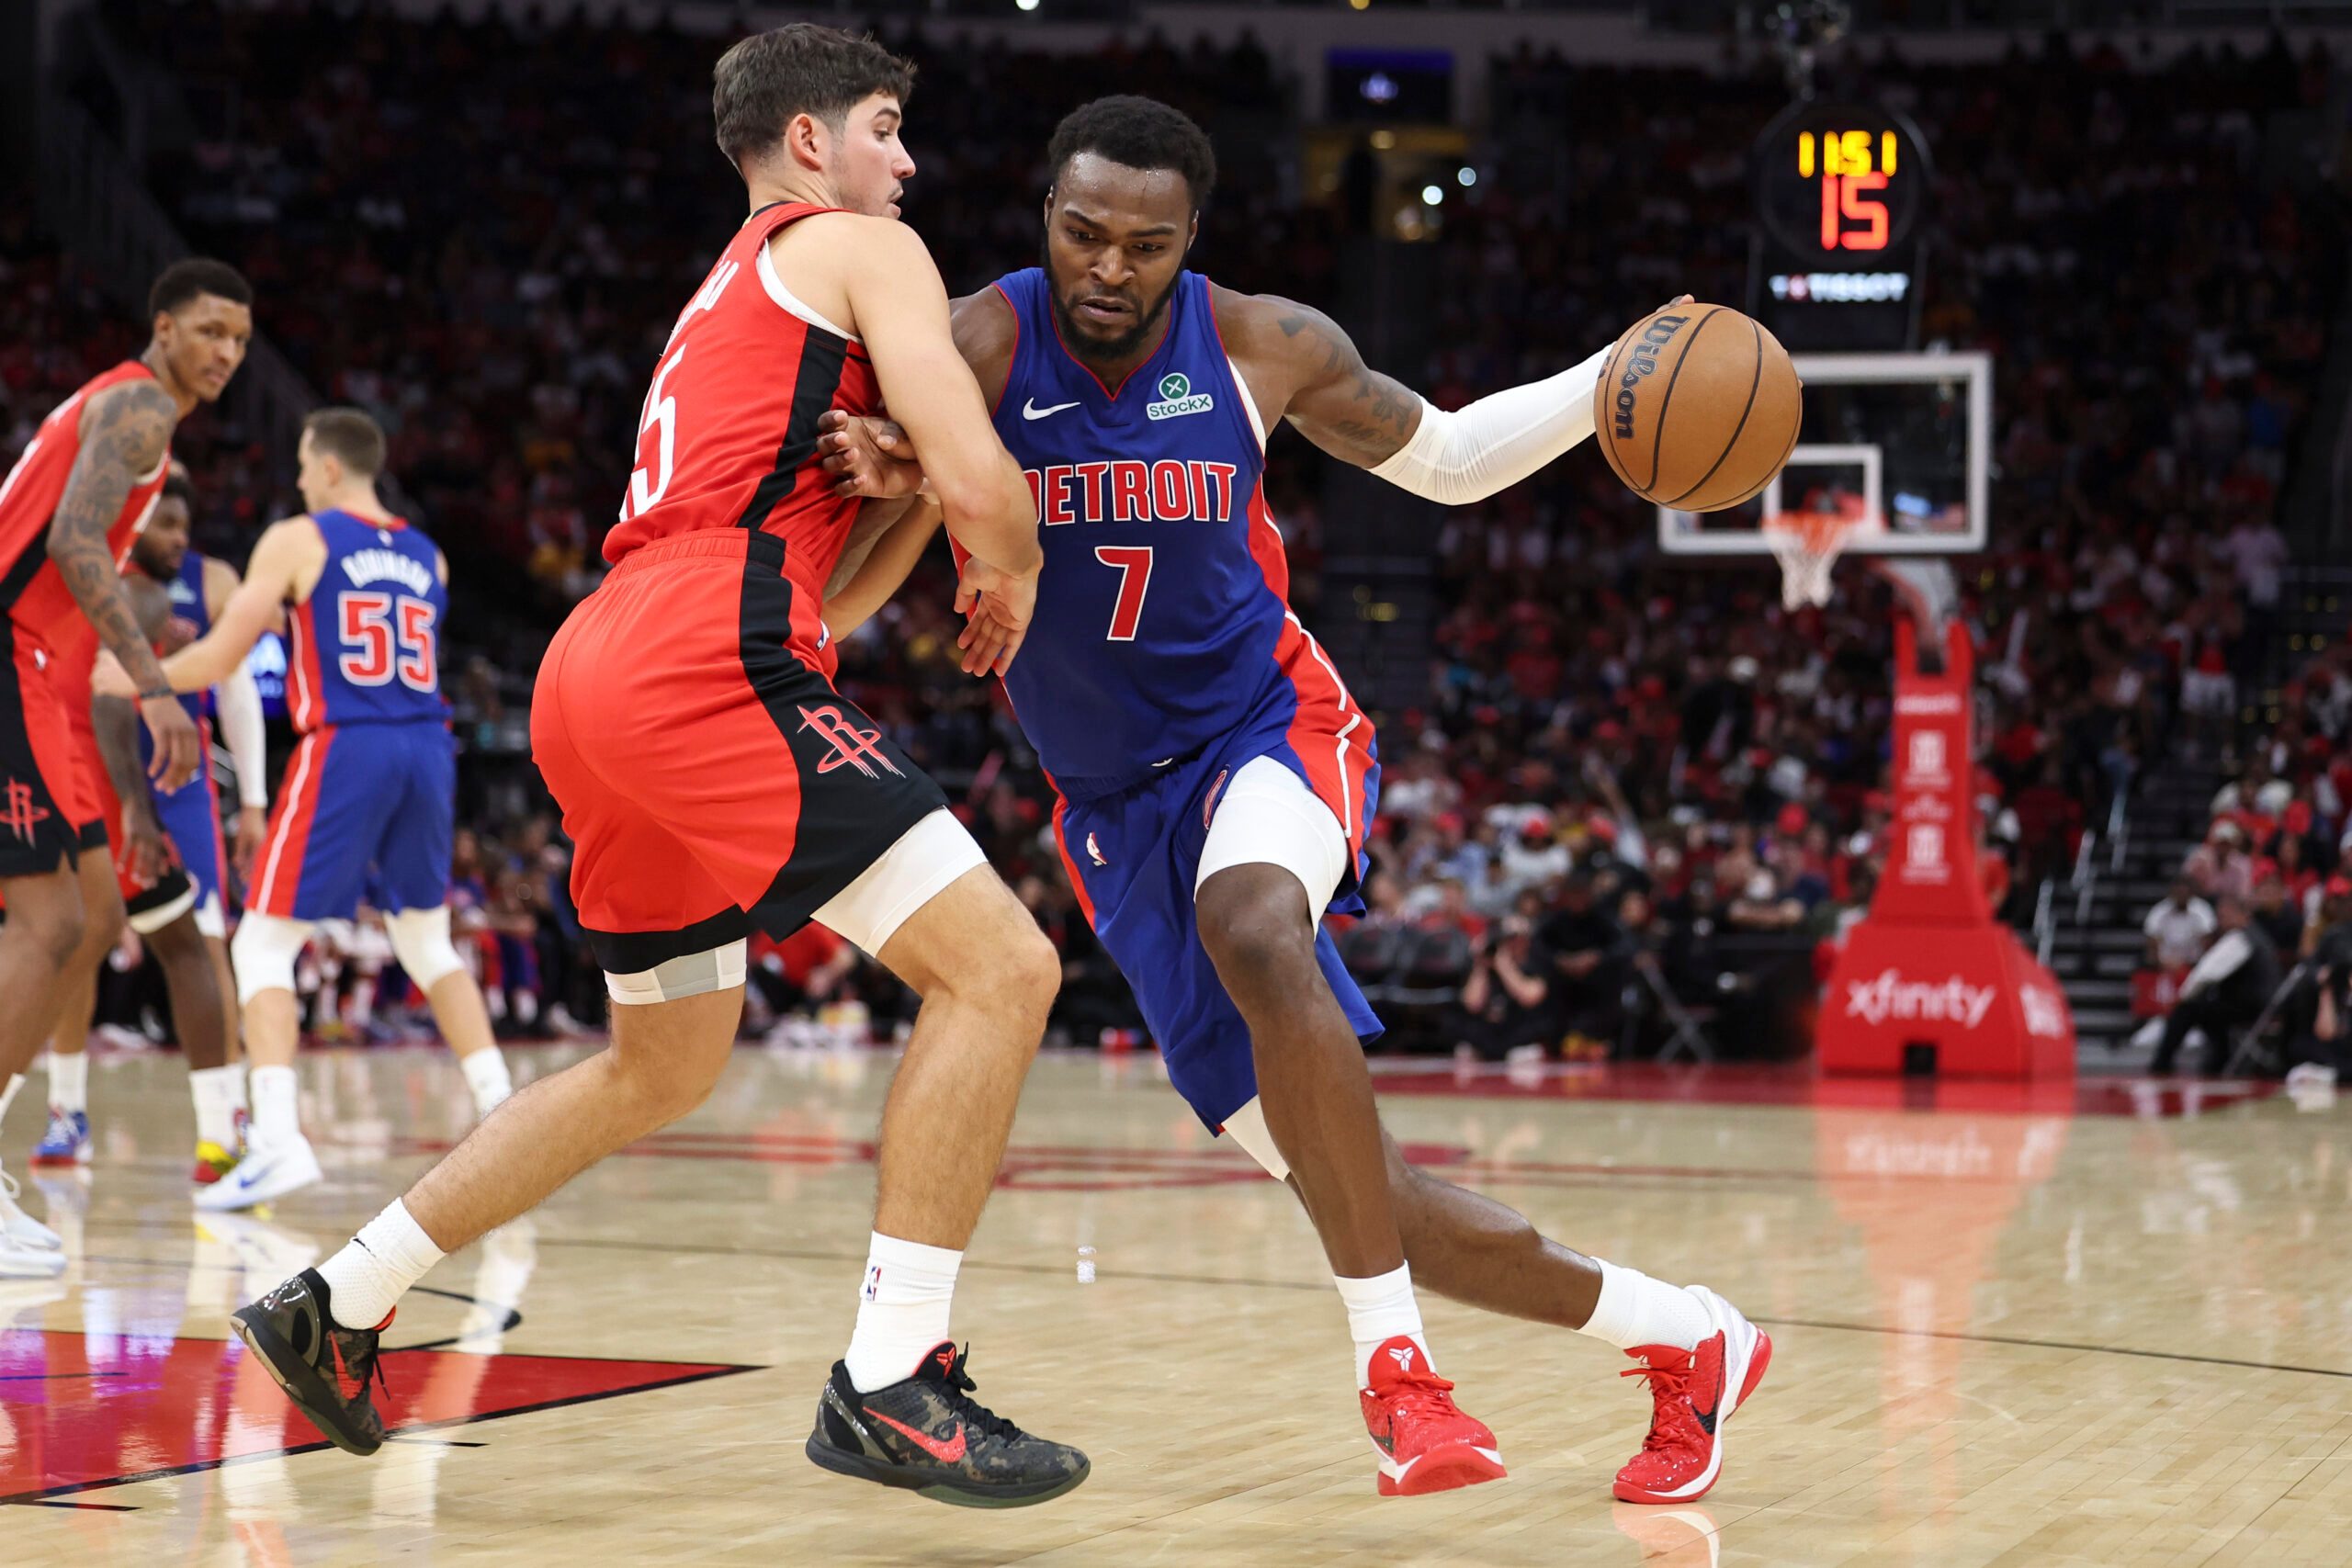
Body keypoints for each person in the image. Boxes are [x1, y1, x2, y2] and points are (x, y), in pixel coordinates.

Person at [819, 95, 1769, 1505]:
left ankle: (1400, 1374)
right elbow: (860, 498)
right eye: (1083, 233)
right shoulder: (974, 342)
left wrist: (1608, 372)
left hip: (1272, 728)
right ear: (1046, 221)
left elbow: (1444, 458)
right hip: (1111, 818)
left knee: (1257, 924)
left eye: (1145, 244)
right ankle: (1690, 1333)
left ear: (1189, 241)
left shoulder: (1266, 342)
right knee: (1359, 1185)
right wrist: (883, 465)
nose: (1108, 268)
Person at [196, 28, 1086, 1509]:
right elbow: (998, 482)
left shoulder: (730, 296)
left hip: (612, 656)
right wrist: (1015, 556)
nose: (908, 161)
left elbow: (838, 604)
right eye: (885, 127)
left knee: (658, 1059)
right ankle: (891, 1376)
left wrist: (921, 493)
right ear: (812, 143)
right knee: (1003, 968)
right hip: (695, 654)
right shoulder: (867, 244)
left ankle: (338, 1297)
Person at [98, 408, 514, 1209]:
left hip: (349, 741)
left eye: (299, 465)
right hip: (428, 745)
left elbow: (225, 653)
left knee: (260, 944)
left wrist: (139, 679)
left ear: (326, 468)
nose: (293, 479)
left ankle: (281, 1140)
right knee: (428, 940)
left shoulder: (299, 537)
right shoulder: (429, 554)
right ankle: (501, 1109)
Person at [0, 258, 246, 1278]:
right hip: (13, 648)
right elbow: (71, 541)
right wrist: (150, 681)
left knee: (97, 917)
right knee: (50, 923)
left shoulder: (128, 405)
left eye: (238, 338)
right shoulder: (141, 405)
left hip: (44, 667)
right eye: (207, 332)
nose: (225, 354)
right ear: (162, 327)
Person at [34, 473, 265, 1186]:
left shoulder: (213, 579)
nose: (180, 537)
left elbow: (237, 688)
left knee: (201, 944)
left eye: (184, 524)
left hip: (177, 786)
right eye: (167, 523)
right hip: (98, 779)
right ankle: (68, 1109)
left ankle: (226, 1122)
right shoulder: (98, 577)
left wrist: (252, 798)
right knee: (81, 945)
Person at [2150, 895, 2281, 1076]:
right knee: (2210, 1013)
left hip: (2251, 1006)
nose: (2220, 922)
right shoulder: (2257, 935)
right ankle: (2218, 1059)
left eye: (2224, 916)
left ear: (2242, 915)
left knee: (2188, 1009)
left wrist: (2183, 996)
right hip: (2261, 1005)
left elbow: (2207, 974)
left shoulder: (2240, 937)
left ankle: (2161, 1063)